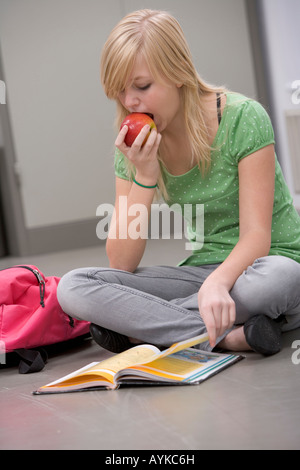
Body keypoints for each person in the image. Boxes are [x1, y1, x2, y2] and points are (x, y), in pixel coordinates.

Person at [57, 9, 300, 355]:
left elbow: (257, 237)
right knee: (74, 287)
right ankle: (229, 336)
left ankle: (146, 332)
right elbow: (121, 263)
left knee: (277, 281)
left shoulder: (243, 118)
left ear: (178, 73)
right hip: (203, 272)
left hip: (270, 262)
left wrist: (218, 283)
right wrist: (144, 177)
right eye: (120, 91)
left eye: (141, 87)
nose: (129, 102)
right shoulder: (133, 145)